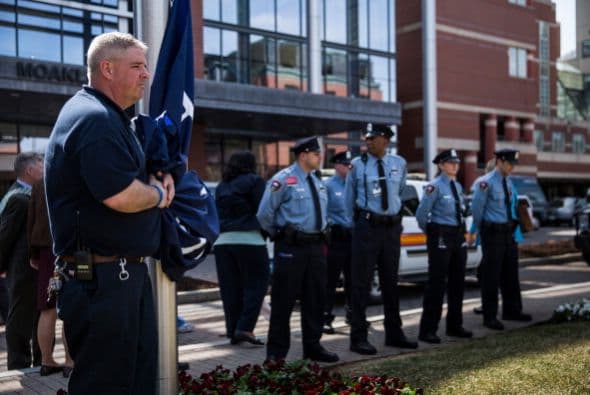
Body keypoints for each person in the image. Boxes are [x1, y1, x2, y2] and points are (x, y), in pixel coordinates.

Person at [45, 32, 174, 394]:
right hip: (103, 279)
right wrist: (158, 195)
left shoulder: (108, 117)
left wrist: (155, 176)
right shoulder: (95, 118)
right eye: (136, 66)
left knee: (134, 381)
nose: (146, 74)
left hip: (116, 275)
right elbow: (120, 195)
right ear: (107, 68)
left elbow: (128, 175)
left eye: (145, 66)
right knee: (108, 385)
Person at [257, 136, 339, 363]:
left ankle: (313, 347)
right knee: (283, 301)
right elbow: (264, 214)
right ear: (303, 155)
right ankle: (275, 354)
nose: (319, 157)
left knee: (315, 300)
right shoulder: (283, 180)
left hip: (316, 247)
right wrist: (279, 235)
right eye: (316, 153)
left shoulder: (318, 181)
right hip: (292, 248)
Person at [345, 123, 418, 355]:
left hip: (391, 229)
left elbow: (399, 192)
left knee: (390, 282)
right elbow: (349, 200)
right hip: (367, 227)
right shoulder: (357, 165)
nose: (368, 141)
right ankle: (358, 338)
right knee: (361, 284)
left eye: (373, 138)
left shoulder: (399, 163)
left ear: (385, 140)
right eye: (366, 137)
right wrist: (357, 227)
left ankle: (394, 334)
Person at [470, 149, 532, 331]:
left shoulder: (509, 182)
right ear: (500, 161)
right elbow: (477, 211)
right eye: (510, 163)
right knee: (491, 276)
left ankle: (512, 310)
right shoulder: (484, 183)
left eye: (514, 164)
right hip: (493, 233)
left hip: (508, 233)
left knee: (511, 274)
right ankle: (490, 316)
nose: (513, 167)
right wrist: (479, 231)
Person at [415, 149, 472, 344]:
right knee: (437, 284)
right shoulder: (434, 186)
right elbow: (421, 215)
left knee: (457, 282)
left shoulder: (456, 186)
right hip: (441, 234)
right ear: (441, 165)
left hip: (457, 234)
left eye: (457, 162)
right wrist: (433, 233)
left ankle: (455, 326)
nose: (455, 165)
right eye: (450, 162)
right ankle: (428, 330)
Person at [214, 151, 269, 346]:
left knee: (230, 288)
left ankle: (233, 330)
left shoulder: (222, 186)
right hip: (249, 239)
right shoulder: (255, 181)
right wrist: (268, 231)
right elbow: (263, 210)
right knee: (257, 283)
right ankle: (245, 328)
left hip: (221, 242)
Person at [27, 177, 74, 376]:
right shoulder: (75, 174)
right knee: (71, 307)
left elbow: (31, 221)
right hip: (72, 249)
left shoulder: (39, 183)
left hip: (46, 251)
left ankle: (46, 360)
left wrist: (33, 254)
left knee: (48, 308)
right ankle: (70, 362)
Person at [0, 152, 43, 369]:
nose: (44, 169)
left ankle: (40, 360)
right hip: (22, 270)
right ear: (29, 170)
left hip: (36, 269)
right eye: (41, 165)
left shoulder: (34, 194)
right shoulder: (17, 198)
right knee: (18, 318)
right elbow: (4, 236)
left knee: (39, 315)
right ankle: (19, 363)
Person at [323, 151, 353, 334]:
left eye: (350, 164)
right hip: (336, 237)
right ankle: (325, 317)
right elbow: (323, 213)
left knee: (354, 279)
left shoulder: (354, 184)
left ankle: (354, 315)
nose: (349, 167)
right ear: (336, 165)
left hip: (353, 237)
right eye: (345, 164)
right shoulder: (328, 186)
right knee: (330, 281)